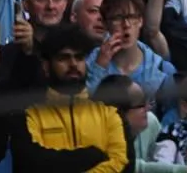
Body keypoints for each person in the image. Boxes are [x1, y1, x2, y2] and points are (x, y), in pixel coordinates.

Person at [10, 23, 128, 173]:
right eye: (63, 58)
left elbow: (121, 163)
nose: (73, 64)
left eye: (79, 58)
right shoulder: (30, 116)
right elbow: (31, 164)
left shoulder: (110, 115)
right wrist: (91, 156)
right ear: (46, 66)